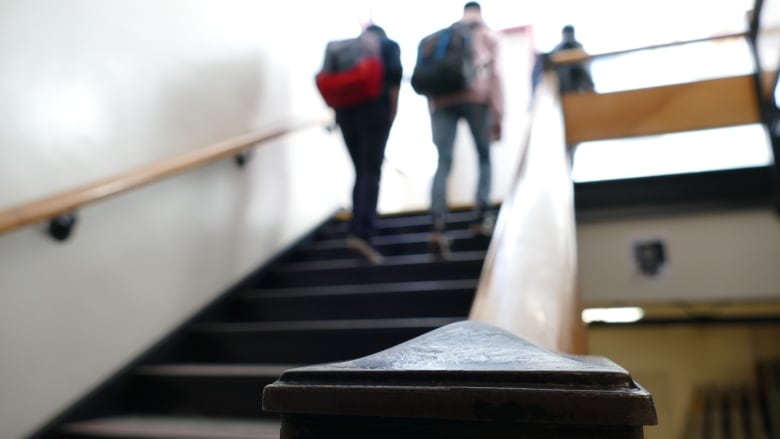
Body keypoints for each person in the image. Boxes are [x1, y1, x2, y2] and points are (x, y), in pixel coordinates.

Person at [427, 1, 503, 257]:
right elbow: (495, 75)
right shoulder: (486, 34)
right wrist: (498, 114)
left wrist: (434, 110)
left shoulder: (445, 34)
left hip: (440, 102)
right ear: (479, 12)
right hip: (475, 98)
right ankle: (481, 216)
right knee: (483, 156)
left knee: (443, 162)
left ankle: (438, 224)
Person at [335, 24, 402, 264]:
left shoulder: (347, 48)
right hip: (374, 112)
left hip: (345, 114)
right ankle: (362, 232)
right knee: (370, 171)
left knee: (360, 171)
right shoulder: (388, 45)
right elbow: (394, 78)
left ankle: (357, 223)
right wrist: (391, 113)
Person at [551, 25, 594, 93]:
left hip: (579, 74)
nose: (568, 36)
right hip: (565, 80)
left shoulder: (579, 46)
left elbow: (585, 61)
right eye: (567, 34)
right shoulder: (557, 48)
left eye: (570, 34)